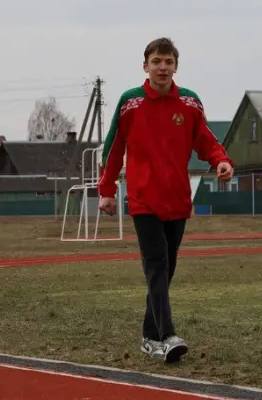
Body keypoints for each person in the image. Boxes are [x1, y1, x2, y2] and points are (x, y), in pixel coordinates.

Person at [97, 37, 235, 364]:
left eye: (168, 62)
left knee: (167, 269)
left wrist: (220, 161)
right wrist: (107, 190)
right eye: (156, 61)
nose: (162, 67)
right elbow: (113, 148)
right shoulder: (130, 103)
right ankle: (168, 335)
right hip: (144, 199)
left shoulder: (189, 103)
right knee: (156, 264)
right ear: (145, 65)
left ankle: (149, 336)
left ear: (175, 66)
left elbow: (205, 140)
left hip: (177, 200)